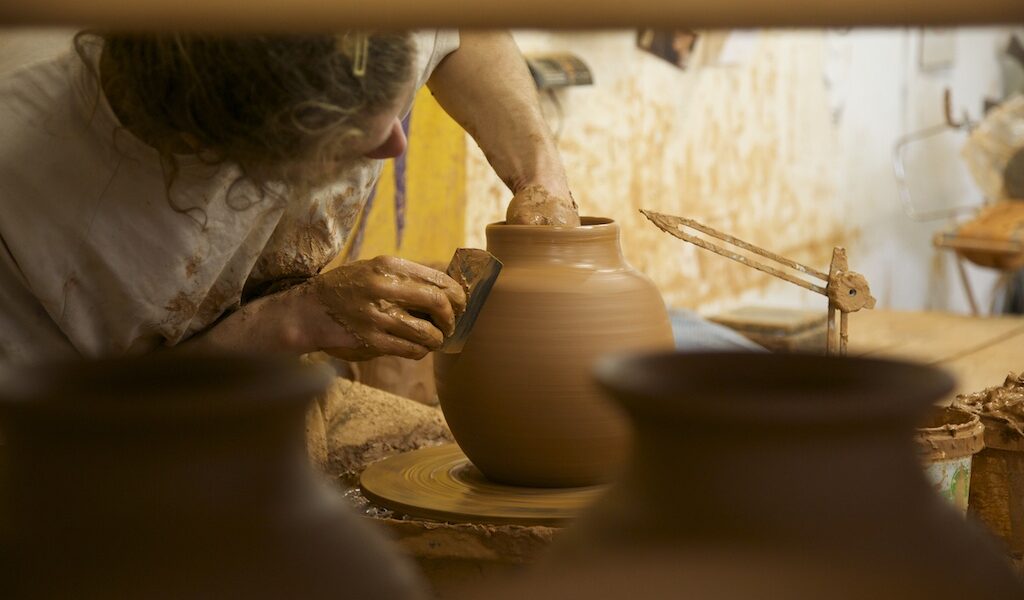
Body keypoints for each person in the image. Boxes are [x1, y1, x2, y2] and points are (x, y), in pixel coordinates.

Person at [0, 30, 579, 364]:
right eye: (350, 138)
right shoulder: (32, 193)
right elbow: (72, 440)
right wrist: (295, 319)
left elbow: (460, 29)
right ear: (208, 148)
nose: (395, 144)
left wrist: (539, 175)